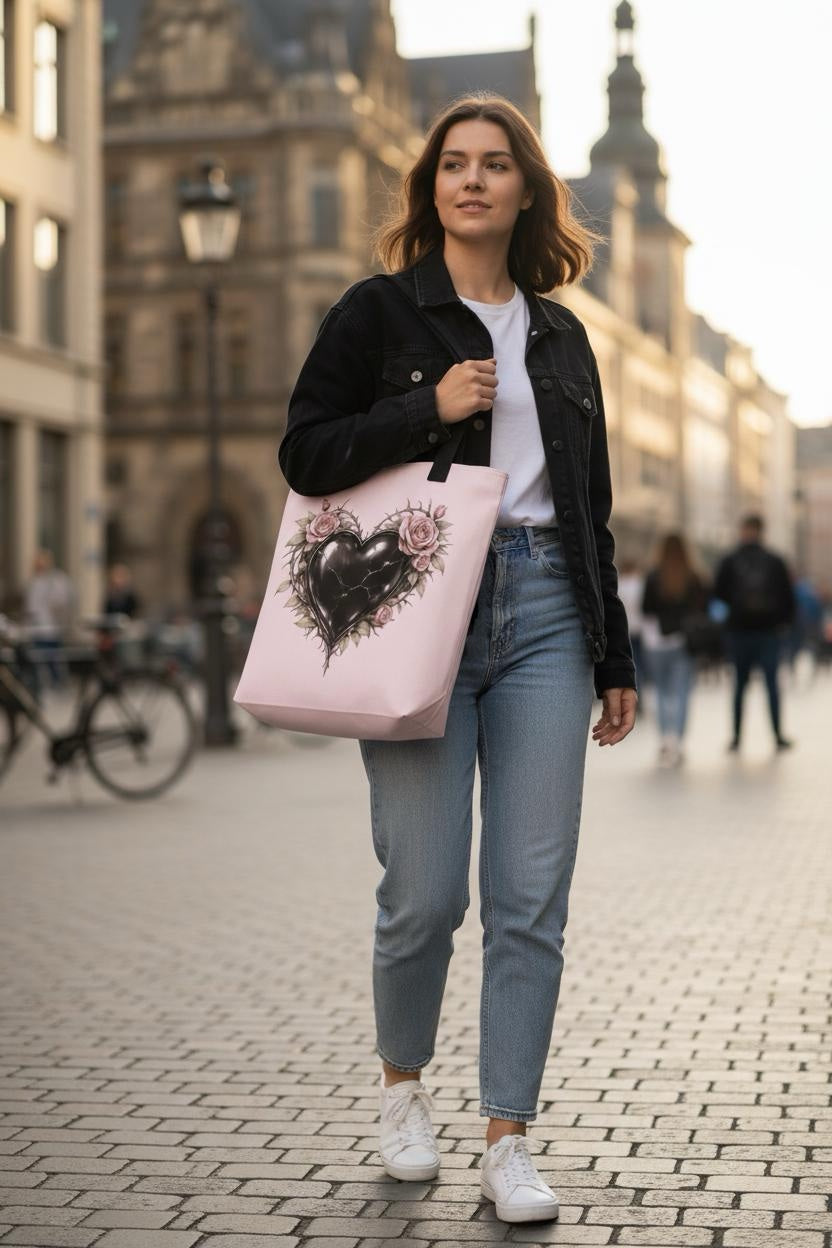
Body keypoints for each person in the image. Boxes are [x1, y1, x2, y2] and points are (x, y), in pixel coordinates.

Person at [278, 93, 638, 1224]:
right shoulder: (378, 314)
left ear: (528, 188)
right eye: (451, 166)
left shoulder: (564, 336)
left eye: (494, 165)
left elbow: (590, 507)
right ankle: (400, 1090)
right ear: (429, 188)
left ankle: (508, 1135)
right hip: (417, 602)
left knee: (530, 897)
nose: (471, 181)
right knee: (424, 896)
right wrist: (423, 410)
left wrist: (611, 653)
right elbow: (305, 452)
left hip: (543, 616)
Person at [715, 514, 795, 751]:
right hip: (769, 632)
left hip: (740, 631)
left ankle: (737, 737)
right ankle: (778, 734)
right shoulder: (775, 560)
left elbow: (719, 593)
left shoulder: (730, 560)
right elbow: (788, 597)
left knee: (740, 686)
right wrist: (782, 623)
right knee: (772, 684)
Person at [641, 533, 709, 767]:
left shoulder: (653, 576)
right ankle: (678, 742)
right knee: (681, 693)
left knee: (660, 692)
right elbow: (705, 609)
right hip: (684, 641)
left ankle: (664, 739)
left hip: (657, 643)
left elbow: (646, 609)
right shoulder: (694, 576)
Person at [23, 548, 75, 692]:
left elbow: (63, 601)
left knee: (52, 659)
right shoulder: (34, 581)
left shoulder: (56, 580)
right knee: (37, 659)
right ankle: (40, 685)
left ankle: (58, 684)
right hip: (35, 628)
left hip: (51, 627)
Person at [617, 557, 647, 693]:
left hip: (624, 629)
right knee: (639, 663)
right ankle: (638, 691)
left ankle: (628, 689)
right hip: (639, 628)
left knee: (627, 662)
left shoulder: (619, 584)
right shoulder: (639, 584)